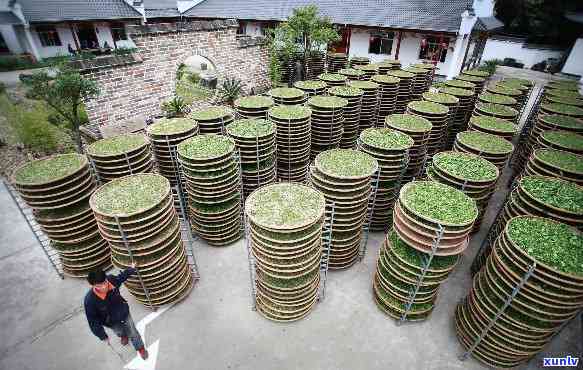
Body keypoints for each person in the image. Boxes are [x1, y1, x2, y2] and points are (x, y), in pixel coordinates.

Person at [84, 266, 149, 360]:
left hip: (124, 313)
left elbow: (121, 277)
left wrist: (131, 269)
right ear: (92, 285)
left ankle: (140, 348)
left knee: (133, 332)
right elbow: (93, 321)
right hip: (111, 322)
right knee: (118, 331)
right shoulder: (90, 301)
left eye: (104, 283)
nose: (103, 287)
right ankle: (123, 336)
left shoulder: (111, 280)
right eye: (99, 285)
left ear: (106, 279)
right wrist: (102, 336)